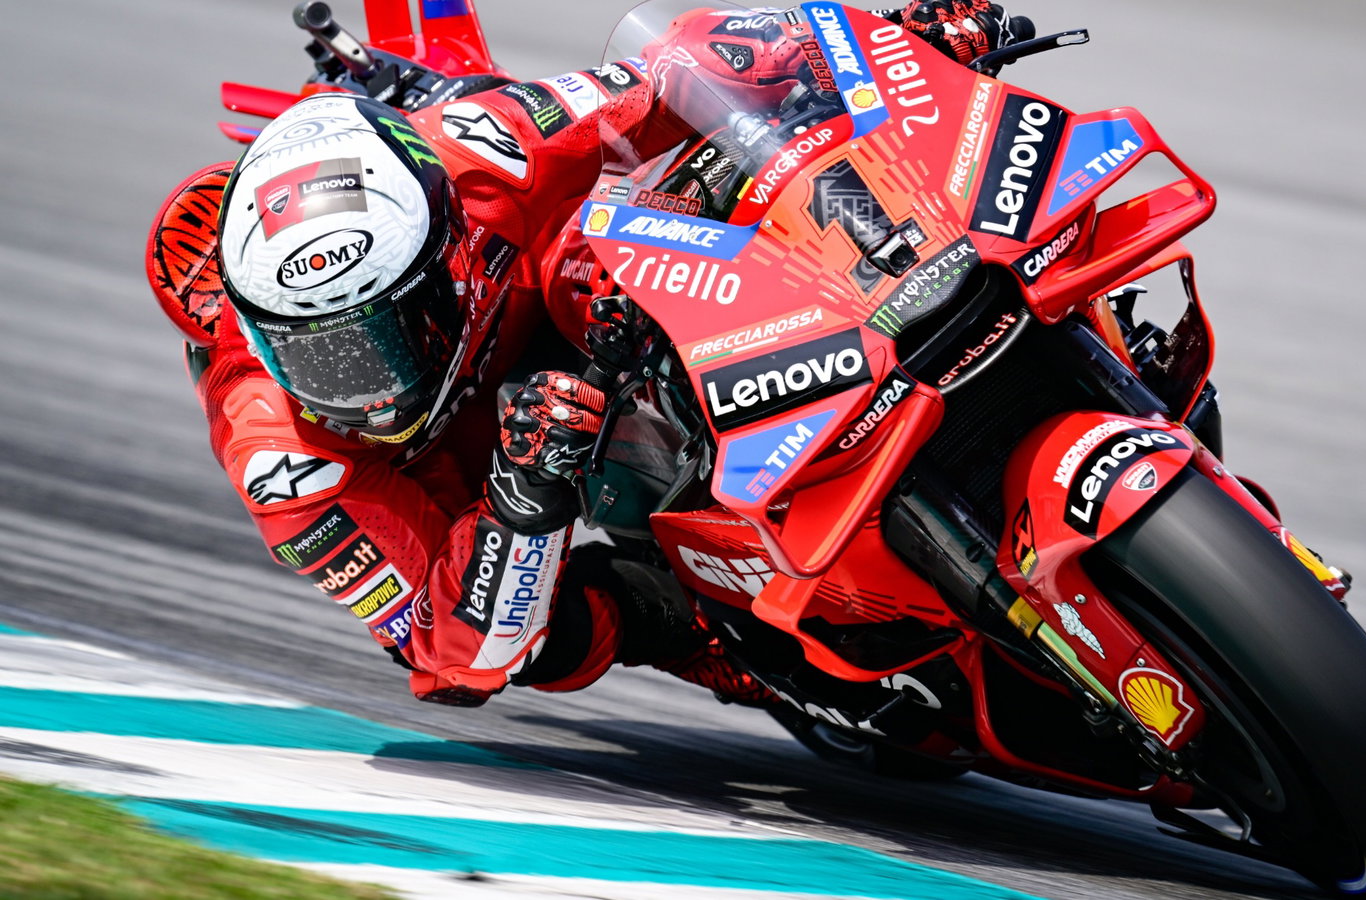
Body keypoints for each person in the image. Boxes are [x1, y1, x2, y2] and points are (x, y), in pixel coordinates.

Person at [143, 2, 1016, 709]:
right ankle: (712, 634)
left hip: (562, 291)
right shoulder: (279, 452)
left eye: (381, 337)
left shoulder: (485, 145)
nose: (365, 387)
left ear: (442, 251)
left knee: (672, 214)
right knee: (546, 640)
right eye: (321, 359)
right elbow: (445, 655)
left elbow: (671, 73)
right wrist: (522, 499)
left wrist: (882, 44)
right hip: (475, 472)